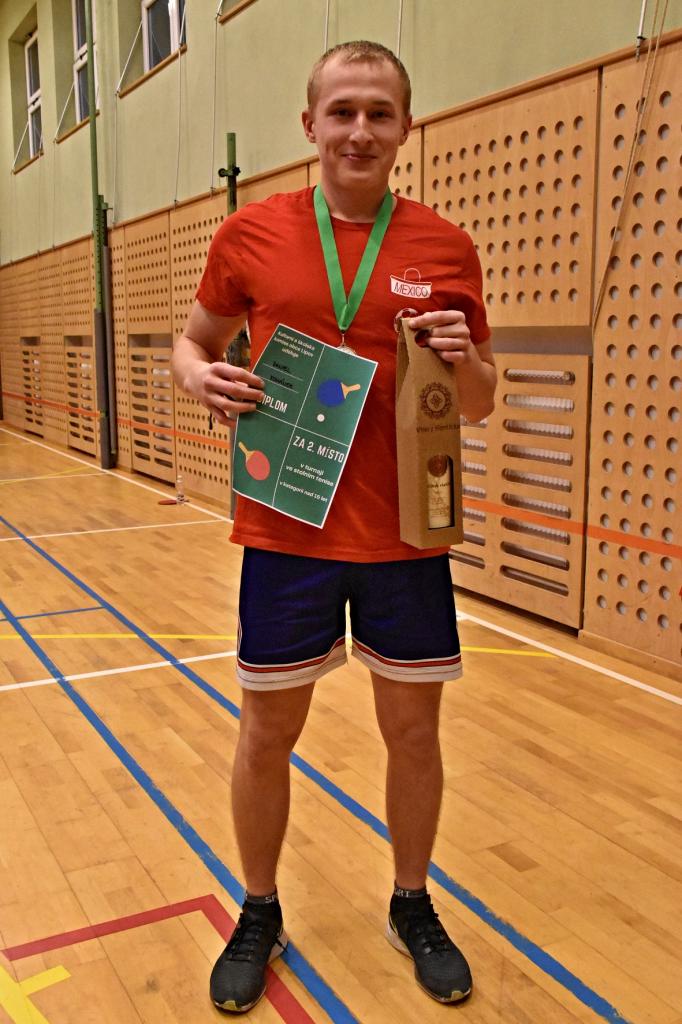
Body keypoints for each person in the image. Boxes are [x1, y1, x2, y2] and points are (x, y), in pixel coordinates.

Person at [172, 40, 496, 1014]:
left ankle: (411, 902)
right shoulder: (251, 234)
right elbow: (192, 344)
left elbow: (480, 397)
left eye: (379, 113)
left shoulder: (446, 247)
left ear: (405, 127)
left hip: (406, 537)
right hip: (286, 532)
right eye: (343, 111)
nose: (360, 130)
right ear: (309, 123)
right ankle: (259, 908)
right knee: (267, 730)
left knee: (413, 731)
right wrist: (203, 379)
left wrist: (463, 361)